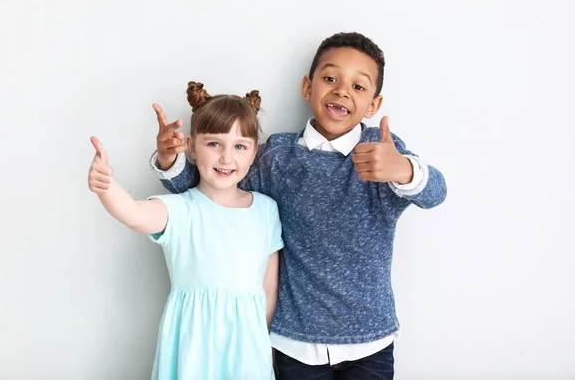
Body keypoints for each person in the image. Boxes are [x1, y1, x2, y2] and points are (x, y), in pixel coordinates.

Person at [149, 32, 447, 379]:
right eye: (330, 78)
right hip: (295, 342)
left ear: (373, 106)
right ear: (308, 87)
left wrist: (403, 169)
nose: (341, 91)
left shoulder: (382, 152)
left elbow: (435, 193)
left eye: (359, 86)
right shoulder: (277, 156)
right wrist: (170, 160)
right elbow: (206, 194)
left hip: (370, 340)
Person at [88, 82, 283, 380]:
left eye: (239, 146)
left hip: (248, 350)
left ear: (254, 152)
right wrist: (106, 187)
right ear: (191, 147)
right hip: (193, 347)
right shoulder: (182, 209)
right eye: (214, 144)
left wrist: (265, 345)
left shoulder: (267, 210)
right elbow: (134, 214)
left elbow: (269, 290)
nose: (226, 157)